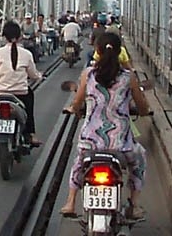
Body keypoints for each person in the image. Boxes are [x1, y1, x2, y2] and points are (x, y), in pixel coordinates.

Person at [60, 31, 150, 219]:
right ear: (119, 52)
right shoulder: (128, 77)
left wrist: (75, 109)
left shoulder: (88, 75)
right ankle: (134, 204)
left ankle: (70, 202)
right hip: (121, 145)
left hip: (91, 143)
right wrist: (141, 110)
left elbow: (77, 103)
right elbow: (142, 106)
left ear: (97, 51)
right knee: (139, 158)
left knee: (79, 161)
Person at [0, 20, 43, 146]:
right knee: (29, 105)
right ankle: (31, 134)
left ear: (4, 36)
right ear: (20, 36)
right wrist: (39, 76)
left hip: (2, 93)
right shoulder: (27, 54)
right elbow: (33, 74)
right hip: (21, 93)